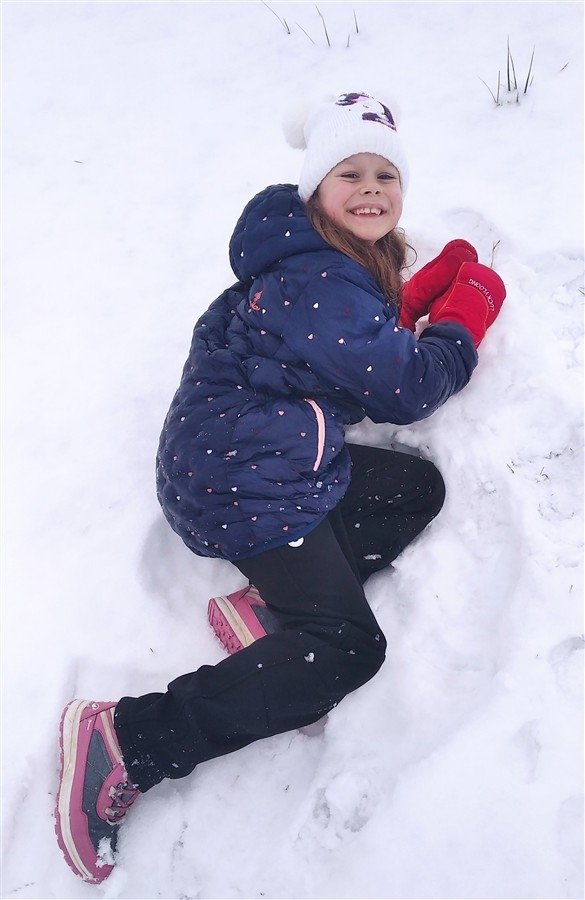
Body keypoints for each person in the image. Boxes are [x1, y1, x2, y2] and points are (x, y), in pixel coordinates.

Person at [55, 90, 506, 884]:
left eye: (385, 175)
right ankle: (124, 741)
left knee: (411, 490)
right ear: (314, 187)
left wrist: (410, 300)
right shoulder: (316, 278)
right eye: (348, 174)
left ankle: (268, 608)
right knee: (347, 648)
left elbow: (350, 342)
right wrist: (461, 322)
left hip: (250, 459)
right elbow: (404, 390)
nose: (370, 189)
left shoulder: (310, 262)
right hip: (242, 486)